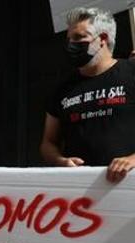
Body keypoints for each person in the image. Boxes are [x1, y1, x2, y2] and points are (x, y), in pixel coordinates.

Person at [40, 7, 135, 183]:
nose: (71, 45)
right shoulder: (62, 90)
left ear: (103, 39)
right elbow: (48, 142)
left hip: (128, 189)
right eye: (69, 39)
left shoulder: (131, 74)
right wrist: (60, 161)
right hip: (80, 194)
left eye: (78, 38)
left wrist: (132, 160)